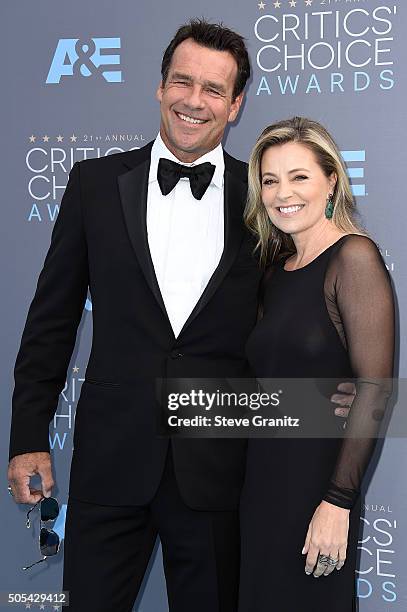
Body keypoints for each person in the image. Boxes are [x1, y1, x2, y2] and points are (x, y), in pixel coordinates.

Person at [7, 21, 351, 612]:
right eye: (182, 82)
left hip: (220, 469)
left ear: (236, 103)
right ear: (160, 86)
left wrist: (323, 446)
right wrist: (27, 438)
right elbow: (50, 323)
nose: (194, 101)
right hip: (111, 464)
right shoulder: (95, 184)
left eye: (214, 89)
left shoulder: (265, 202)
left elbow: (301, 324)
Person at [239, 116, 395, 611]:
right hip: (262, 485)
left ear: (331, 180)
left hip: (319, 489)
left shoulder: (354, 257)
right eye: (269, 179)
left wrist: (338, 502)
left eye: (299, 176)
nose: (282, 192)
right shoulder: (273, 272)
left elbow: (374, 387)